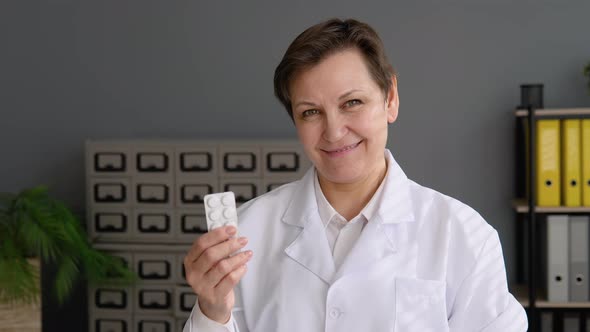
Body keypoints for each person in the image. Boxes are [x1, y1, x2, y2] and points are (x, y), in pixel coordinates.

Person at [183, 18, 528, 331]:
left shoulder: (463, 235)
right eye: (311, 112)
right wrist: (212, 310)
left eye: (352, 103)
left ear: (390, 98)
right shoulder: (247, 232)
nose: (333, 132)